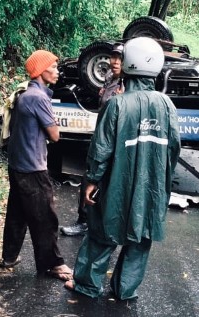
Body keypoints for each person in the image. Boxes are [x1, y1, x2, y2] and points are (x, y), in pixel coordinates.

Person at [65, 37, 181, 300]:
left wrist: (92, 181)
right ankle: (125, 289)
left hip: (117, 182)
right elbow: (174, 148)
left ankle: (87, 284)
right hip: (152, 185)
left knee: (102, 230)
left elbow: (101, 148)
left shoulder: (117, 104)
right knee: (141, 235)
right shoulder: (166, 105)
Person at [0, 50, 73, 281]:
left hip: (18, 164)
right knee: (45, 217)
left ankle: (9, 256)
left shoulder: (25, 94)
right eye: (53, 67)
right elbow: (55, 135)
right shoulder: (38, 98)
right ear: (41, 71)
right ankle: (53, 264)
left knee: (18, 213)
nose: (57, 71)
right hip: (33, 167)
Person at [61, 43, 125, 237]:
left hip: (115, 142)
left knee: (104, 182)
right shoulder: (108, 79)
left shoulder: (127, 85)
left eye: (119, 59)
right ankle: (85, 221)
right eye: (113, 57)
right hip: (100, 137)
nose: (115, 62)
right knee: (89, 177)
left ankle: (98, 224)